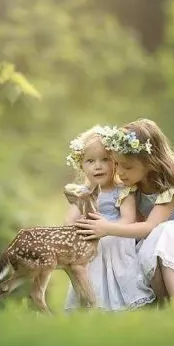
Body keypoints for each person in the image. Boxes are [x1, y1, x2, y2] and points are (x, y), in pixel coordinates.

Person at [75, 118, 174, 313]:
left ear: (149, 163)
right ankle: (163, 305)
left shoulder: (171, 191)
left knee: (166, 231)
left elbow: (150, 227)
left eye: (128, 167)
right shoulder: (132, 188)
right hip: (155, 247)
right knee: (147, 249)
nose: (121, 172)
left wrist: (107, 228)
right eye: (117, 164)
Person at [63, 125, 155, 312]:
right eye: (90, 161)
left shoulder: (122, 190)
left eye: (105, 159)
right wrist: (82, 232)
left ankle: (124, 304)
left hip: (117, 241)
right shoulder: (83, 193)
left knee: (121, 274)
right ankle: (93, 306)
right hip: (92, 245)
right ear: (81, 165)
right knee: (89, 275)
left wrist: (106, 229)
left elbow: (128, 220)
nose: (98, 166)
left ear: (115, 162)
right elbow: (69, 222)